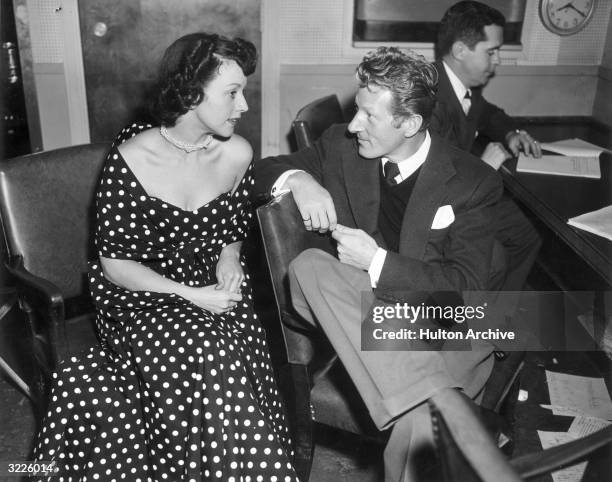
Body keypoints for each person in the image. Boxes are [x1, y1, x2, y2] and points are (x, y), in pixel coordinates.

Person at [33, 33, 298, 481]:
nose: (244, 106)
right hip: (141, 294)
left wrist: (228, 260)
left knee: (234, 335)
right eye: (232, 93)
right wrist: (191, 296)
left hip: (212, 286)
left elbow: (231, 232)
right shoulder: (131, 160)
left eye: (244, 92)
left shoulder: (237, 153)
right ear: (192, 93)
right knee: (209, 345)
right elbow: (116, 266)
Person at [255, 47, 502, 482]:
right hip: (362, 311)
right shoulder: (339, 146)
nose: (353, 125)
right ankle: (428, 393)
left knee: (421, 422)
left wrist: (377, 261)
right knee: (310, 267)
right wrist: (299, 178)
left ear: (408, 123)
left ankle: (423, 398)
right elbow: (261, 169)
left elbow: (465, 291)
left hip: (444, 322)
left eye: (369, 116)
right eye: (356, 112)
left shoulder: (473, 181)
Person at [431, 0, 542, 291]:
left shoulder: (462, 86)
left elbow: (488, 113)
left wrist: (510, 134)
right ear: (460, 51)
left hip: (462, 195)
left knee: (526, 233)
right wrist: (484, 168)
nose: (498, 61)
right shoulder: (429, 99)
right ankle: (465, 324)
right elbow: (432, 182)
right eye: (492, 52)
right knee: (494, 259)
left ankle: (495, 312)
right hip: (435, 211)